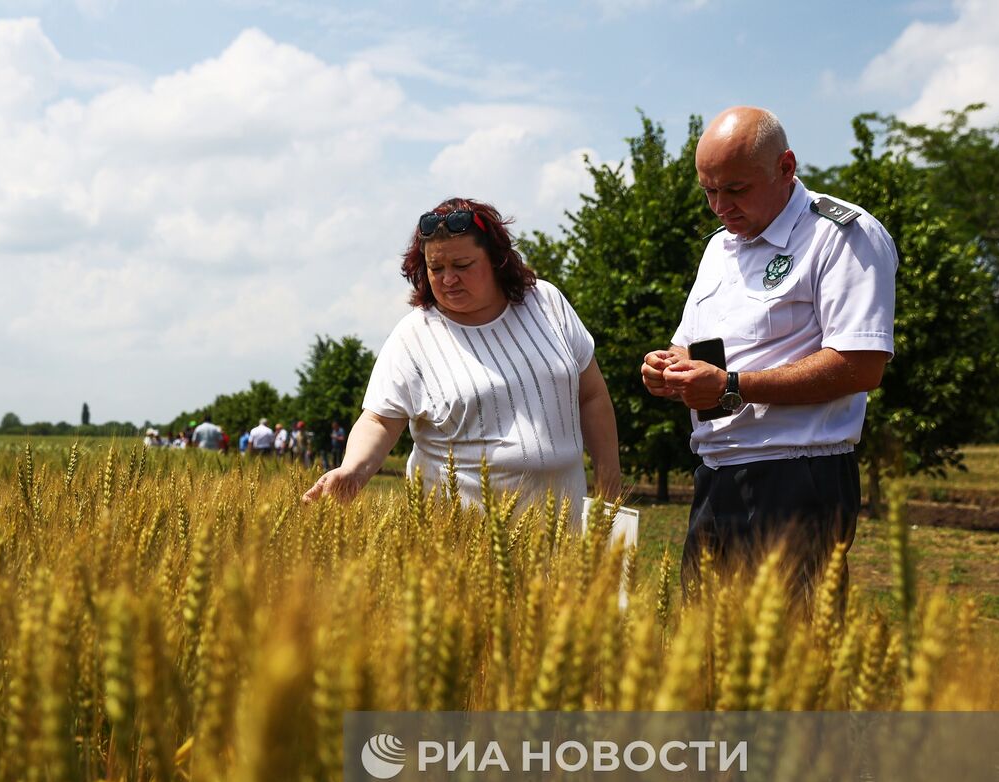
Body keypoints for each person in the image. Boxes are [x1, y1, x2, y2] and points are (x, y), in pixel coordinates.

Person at [641, 106, 896, 594]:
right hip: (717, 475)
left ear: (786, 167)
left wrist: (733, 387)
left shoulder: (841, 235)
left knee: (790, 658)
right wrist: (666, 366)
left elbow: (860, 365)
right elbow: (690, 342)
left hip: (798, 478)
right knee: (707, 657)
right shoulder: (720, 248)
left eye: (735, 189)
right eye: (708, 191)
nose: (719, 207)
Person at [303, 197, 620, 509]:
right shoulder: (414, 335)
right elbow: (380, 419)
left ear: (497, 259)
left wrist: (610, 492)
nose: (448, 279)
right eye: (435, 268)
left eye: (462, 265)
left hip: (565, 527)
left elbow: (592, 396)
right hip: (459, 538)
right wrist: (353, 469)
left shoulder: (546, 302)